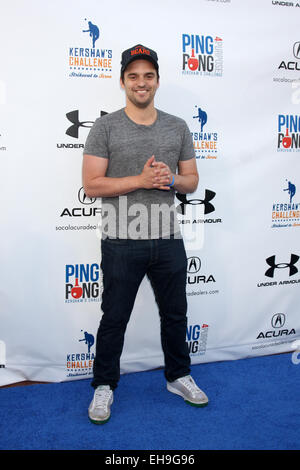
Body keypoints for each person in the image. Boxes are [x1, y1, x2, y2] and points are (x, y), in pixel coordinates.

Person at [82, 44, 208, 424]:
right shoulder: (104, 127)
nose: (141, 82)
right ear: (123, 81)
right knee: (114, 317)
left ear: (157, 81)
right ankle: (104, 386)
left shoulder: (178, 126)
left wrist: (170, 179)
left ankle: (179, 375)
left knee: (175, 314)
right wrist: (139, 179)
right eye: (133, 75)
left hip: (168, 237)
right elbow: (91, 185)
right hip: (121, 240)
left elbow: (192, 181)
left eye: (148, 75)